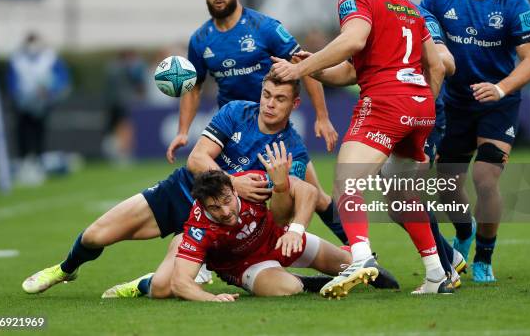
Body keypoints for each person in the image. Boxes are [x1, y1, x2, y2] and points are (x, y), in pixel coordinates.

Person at [22, 74, 395, 296]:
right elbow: (197, 160)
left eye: (280, 99)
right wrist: (233, 183)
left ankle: (146, 283)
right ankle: (65, 268)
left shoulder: (292, 151)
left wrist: (283, 195)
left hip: (224, 224)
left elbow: (299, 201)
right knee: (96, 235)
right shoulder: (236, 112)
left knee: (167, 289)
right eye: (267, 95)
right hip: (183, 192)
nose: (269, 104)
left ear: (294, 104)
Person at [272, 0, 450, 296]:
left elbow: (353, 40)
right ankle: (436, 274)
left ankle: (361, 258)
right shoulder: (407, 4)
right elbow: (434, 65)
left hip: (386, 102)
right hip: (419, 105)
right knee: (401, 195)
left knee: (346, 181)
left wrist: (299, 70)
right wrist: (316, 67)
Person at [167, 0, 347, 245]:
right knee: (217, 197)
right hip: (234, 133)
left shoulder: (264, 27)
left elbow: (305, 64)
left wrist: (322, 116)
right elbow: (194, 86)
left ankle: (360, 253)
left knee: (314, 196)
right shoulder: (200, 39)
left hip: (273, 131)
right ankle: (202, 262)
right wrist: (182, 130)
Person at [419, 0, 530, 282]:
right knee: (446, 184)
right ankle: (464, 229)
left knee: (485, 178)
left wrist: (501, 89)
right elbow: (419, 17)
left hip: (497, 103)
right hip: (456, 103)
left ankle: (484, 257)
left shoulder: (513, 3)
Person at [370, 0, 466, 287]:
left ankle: (443, 270)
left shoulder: (418, 15)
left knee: (405, 195)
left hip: (421, 116)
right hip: (394, 115)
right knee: (397, 203)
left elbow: (447, 61)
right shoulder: (375, 15)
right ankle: (448, 256)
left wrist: (424, 86)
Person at [169, 170, 365, 301]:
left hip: (280, 239)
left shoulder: (252, 182)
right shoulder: (199, 226)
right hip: (245, 266)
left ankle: (351, 255)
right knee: (289, 289)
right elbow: (180, 283)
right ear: (204, 207)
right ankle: (303, 280)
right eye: (215, 208)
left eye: (227, 200)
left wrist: (296, 230)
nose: (226, 211)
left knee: (349, 265)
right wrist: (212, 298)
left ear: (234, 190)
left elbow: (307, 190)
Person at [6, 32, 70, 184]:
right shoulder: (17, 59)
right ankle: (24, 163)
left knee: (39, 133)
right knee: (23, 132)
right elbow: (12, 81)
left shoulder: (50, 57)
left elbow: (61, 79)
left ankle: (38, 163)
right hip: (23, 103)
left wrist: (50, 91)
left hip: (42, 102)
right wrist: (17, 96)